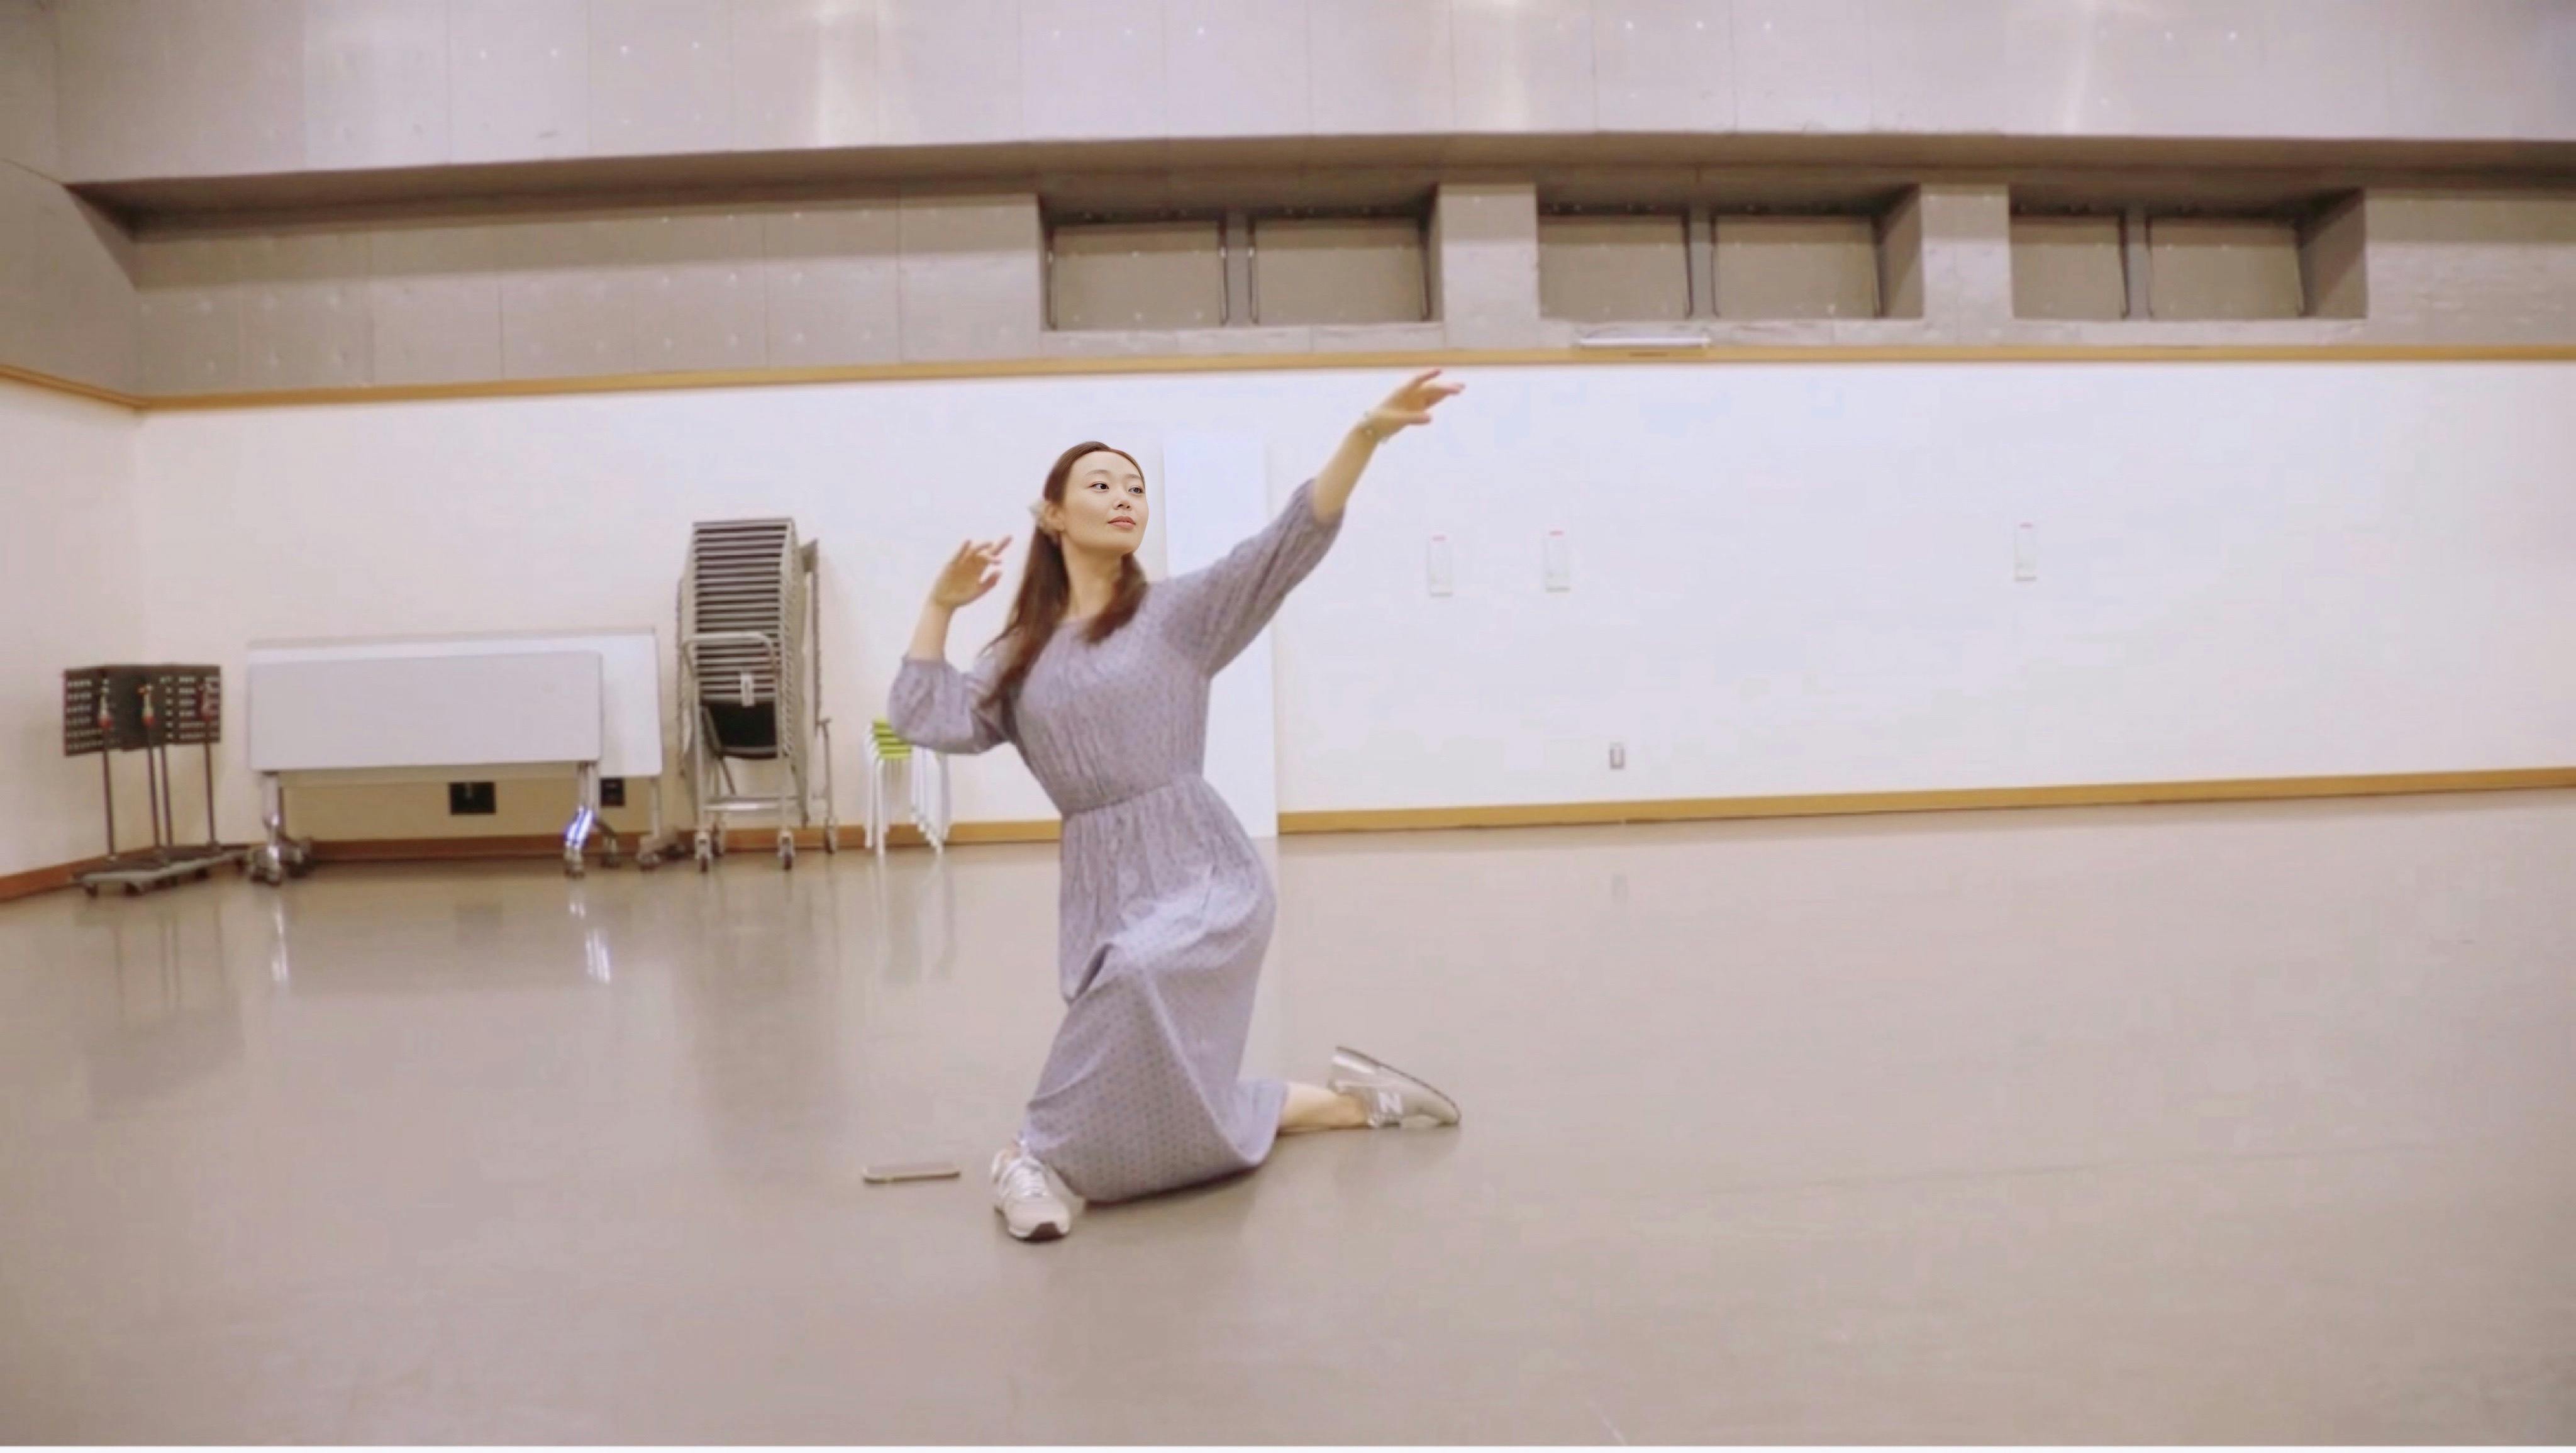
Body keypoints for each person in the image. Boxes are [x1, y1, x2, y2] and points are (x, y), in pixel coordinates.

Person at [888, 370, 1468, 1242]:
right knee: (1160, 1077)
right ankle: (1352, 1102)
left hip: (1200, 866)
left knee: (1138, 973)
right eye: (1101, 484)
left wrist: (1367, 433)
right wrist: (939, 604)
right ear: (1053, 514)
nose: (1125, 498)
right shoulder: (1017, 655)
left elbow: (1288, 541)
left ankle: (1029, 1157)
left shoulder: (1177, 615)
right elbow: (922, 715)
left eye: (1135, 488)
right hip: (1101, 877)